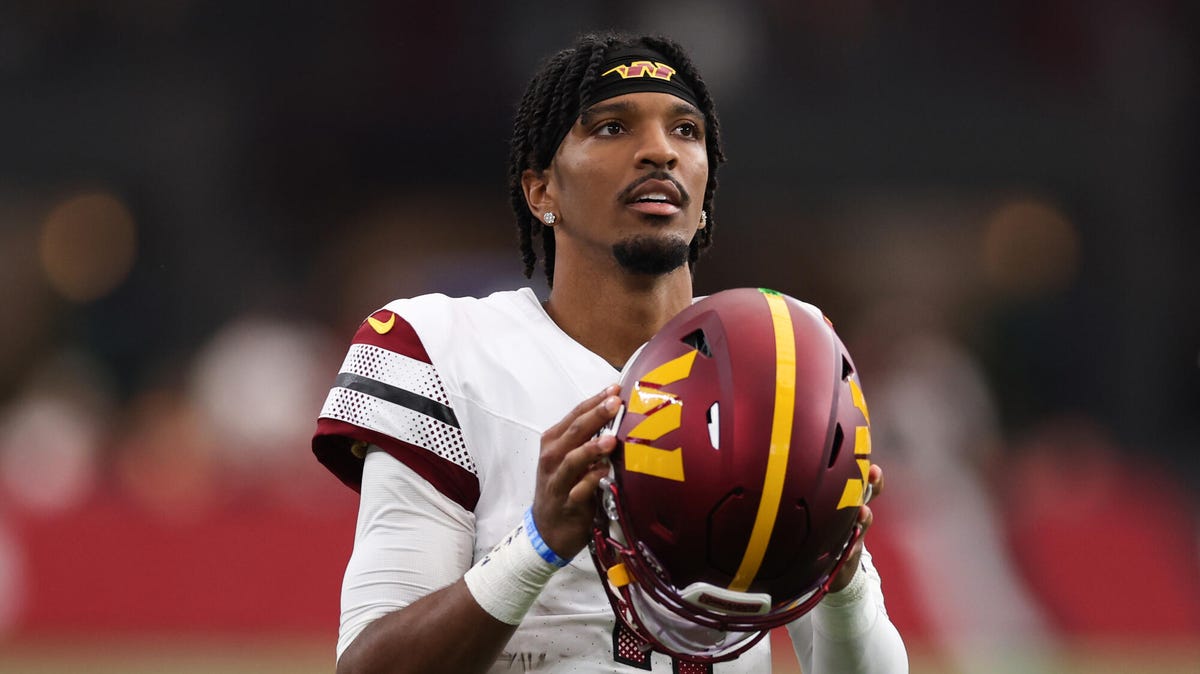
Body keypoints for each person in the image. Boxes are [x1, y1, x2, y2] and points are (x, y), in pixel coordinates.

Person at [313, 31, 908, 673]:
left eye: (685, 130)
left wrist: (840, 579)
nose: (659, 152)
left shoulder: (786, 355)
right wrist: (536, 546)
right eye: (611, 128)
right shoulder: (442, 349)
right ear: (541, 192)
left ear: (706, 192)